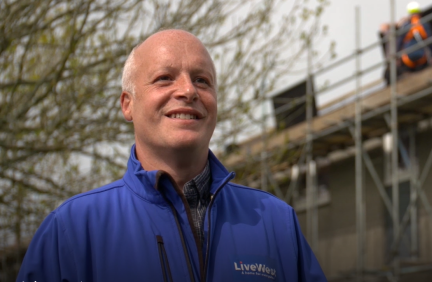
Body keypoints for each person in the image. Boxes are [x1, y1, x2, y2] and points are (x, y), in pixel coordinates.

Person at [16, 30, 327, 282]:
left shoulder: (276, 222)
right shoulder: (70, 231)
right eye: (165, 78)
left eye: (202, 80)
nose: (188, 91)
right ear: (128, 104)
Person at [397, 2, 432, 73]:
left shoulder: (405, 26)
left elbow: (399, 43)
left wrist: (397, 58)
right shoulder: (424, 24)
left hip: (408, 60)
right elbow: (430, 41)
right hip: (423, 58)